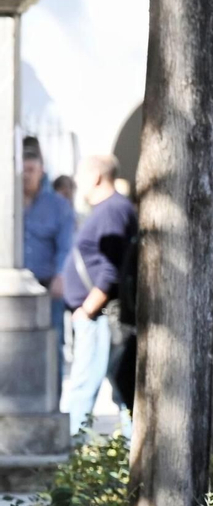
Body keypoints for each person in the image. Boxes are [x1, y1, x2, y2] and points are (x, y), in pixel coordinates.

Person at [60, 155, 136, 437]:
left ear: (95, 177)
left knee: (87, 384)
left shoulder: (112, 210)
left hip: (99, 315)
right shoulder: (109, 209)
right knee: (118, 386)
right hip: (97, 314)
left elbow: (111, 267)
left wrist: (88, 308)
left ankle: (74, 447)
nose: (78, 182)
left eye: (81, 175)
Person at [21, 140, 74, 378]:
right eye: (22, 170)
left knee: (52, 345)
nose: (26, 175)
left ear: (41, 171)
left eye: (31, 170)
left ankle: (53, 393)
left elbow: (66, 245)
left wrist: (61, 275)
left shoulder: (58, 206)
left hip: (46, 286)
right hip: (14, 287)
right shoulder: (9, 201)